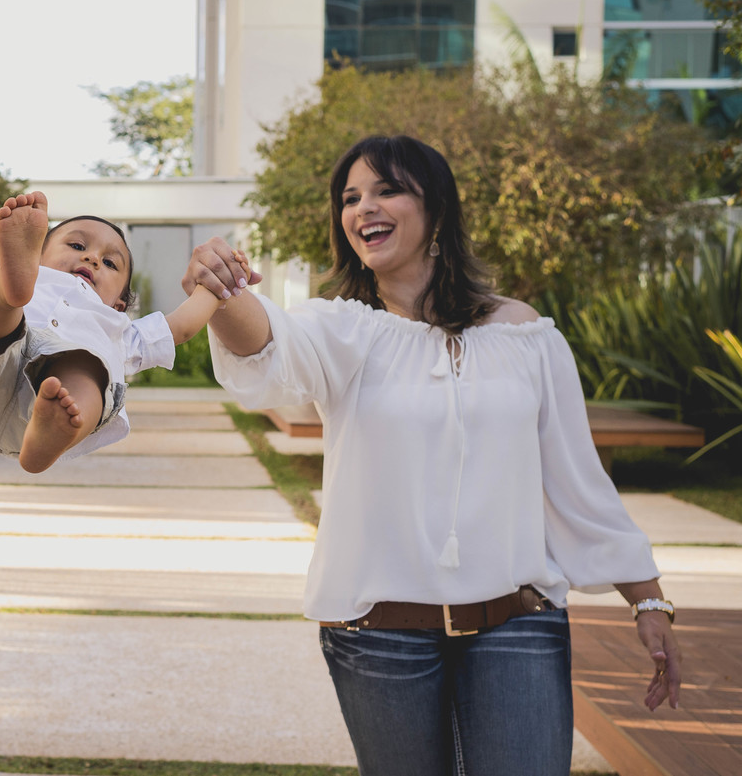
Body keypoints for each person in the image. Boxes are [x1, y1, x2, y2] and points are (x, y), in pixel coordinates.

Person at [182, 135, 682, 776]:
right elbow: (264, 345)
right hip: (378, 636)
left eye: (387, 189)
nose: (364, 207)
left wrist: (647, 601)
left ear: (437, 209)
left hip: (518, 624)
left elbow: (575, 480)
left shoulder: (526, 335)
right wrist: (221, 287)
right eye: (351, 197)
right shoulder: (343, 330)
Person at [0, 165, 243, 472]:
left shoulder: (117, 330)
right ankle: (10, 292)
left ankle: (54, 432)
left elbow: (181, 326)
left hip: (49, 402)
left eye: (110, 263)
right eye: (77, 245)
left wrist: (215, 287)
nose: (92, 258)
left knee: (88, 367)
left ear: (119, 305)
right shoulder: (16, 276)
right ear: (37, 256)